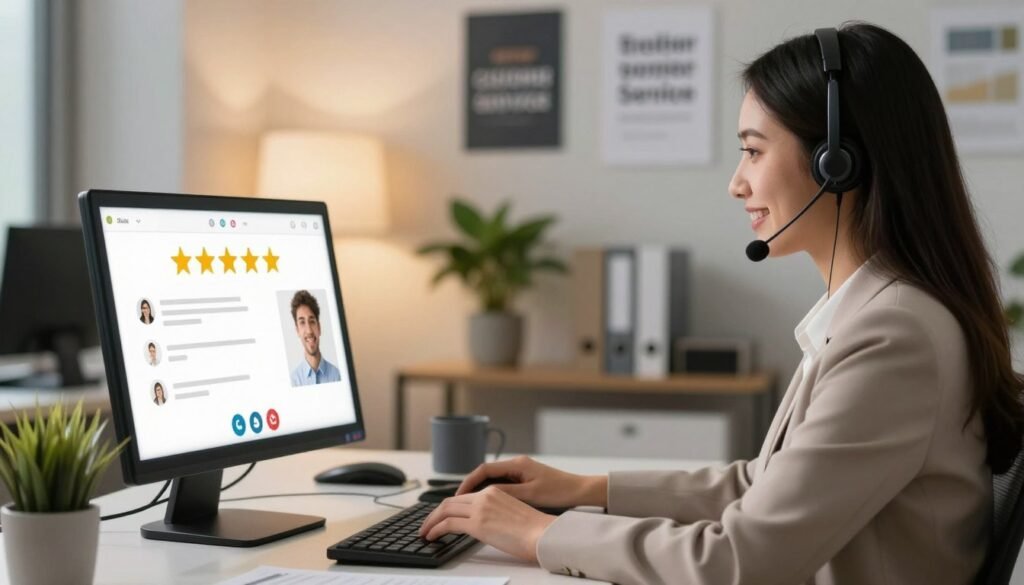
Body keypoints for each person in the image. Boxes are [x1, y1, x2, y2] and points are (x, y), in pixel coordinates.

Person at [418, 23, 1024, 584]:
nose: (737, 182)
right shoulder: (883, 313)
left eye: (754, 151)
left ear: (837, 163)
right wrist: (586, 488)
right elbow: (767, 484)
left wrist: (540, 533)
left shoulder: (895, 335)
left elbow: (739, 560)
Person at [288, 290, 341, 386]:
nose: (309, 331)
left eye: (312, 321)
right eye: (302, 322)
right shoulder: (293, 381)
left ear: (319, 328)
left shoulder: (337, 376)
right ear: (297, 331)